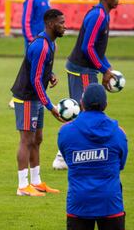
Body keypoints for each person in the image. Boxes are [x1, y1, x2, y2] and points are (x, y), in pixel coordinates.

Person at [52, 0, 119, 170]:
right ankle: (63, 156)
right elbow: (87, 47)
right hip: (81, 69)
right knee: (84, 110)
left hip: (84, 68)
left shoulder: (102, 14)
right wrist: (103, 69)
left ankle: (67, 154)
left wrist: (107, 67)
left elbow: (97, 50)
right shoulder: (98, 16)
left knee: (82, 110)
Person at [10, 9, 66, 196]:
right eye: (61, 23)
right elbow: (34, 79)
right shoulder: (41, 46)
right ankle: (22, 186)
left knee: (37, 139)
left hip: (35, 97)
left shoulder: (50, 43)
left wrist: (50, 75)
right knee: (26, 140)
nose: (64, 26)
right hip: (27, 97)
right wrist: (50, 106)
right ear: (50, 24)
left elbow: (38, 69)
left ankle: (36, 181)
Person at [58, 83, 127, 230]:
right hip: (110, 203)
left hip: (79, 203)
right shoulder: (119, 133)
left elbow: (69, 160)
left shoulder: (65, 132)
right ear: (106, 105)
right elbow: (120, 164)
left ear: (81, 104)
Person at [9, 0, 50, 109]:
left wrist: (51, 41)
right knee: (30, 70)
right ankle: (16, 98)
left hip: (44, 42)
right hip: (34, 42)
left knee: (40, 70)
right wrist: (30, 39)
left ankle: (37, 99)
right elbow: (26, 20)